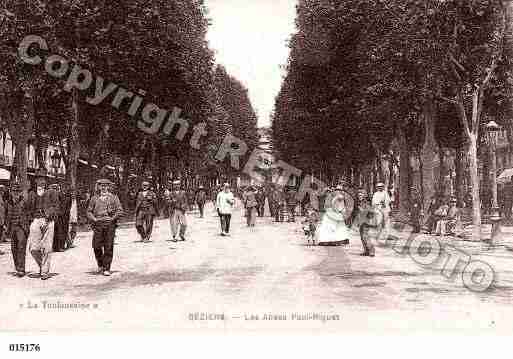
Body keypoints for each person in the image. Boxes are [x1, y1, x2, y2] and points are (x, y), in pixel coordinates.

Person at [26, 174, 60, 280]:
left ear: (46, 181)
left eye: (43, 179)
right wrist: (30, 220)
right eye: (39, 179)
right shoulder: (31, 193)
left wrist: (48, 217)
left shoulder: (52, 192)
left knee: (47, 247)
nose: (41, 181)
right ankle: (42, 265)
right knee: (33, 248)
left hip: (48, 221)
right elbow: (27, 209)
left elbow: (56, 206)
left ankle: (45, 271)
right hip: (36, 219)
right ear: (35, 181)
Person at [87, 178, 123, 276]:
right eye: (101, 186)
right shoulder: (94, 198)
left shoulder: (114, 198)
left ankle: (107, 268)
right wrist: (94, 219)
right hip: (98, 224)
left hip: (109, 224)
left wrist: (112, 219)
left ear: (108, 187)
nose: (103, 188)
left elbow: (120, 211)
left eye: (105, 186)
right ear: (98, 187)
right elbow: (89, 211)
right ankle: (100, 264)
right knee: (96, 246)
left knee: (108, 246)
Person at [6, 183, 29, 277]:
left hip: (21, 227)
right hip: (12, 227)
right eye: (14, 191)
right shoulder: (8, 202)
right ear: (11, 192)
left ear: (20, 192)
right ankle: (17, 267)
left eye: (17, 191)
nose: (15, 193)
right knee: (13, 248)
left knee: (21, 247)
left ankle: (21, 269)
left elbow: (29, 214)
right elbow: (7, 214)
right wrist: (6, 226)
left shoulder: (24, 202)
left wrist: (27, 226)